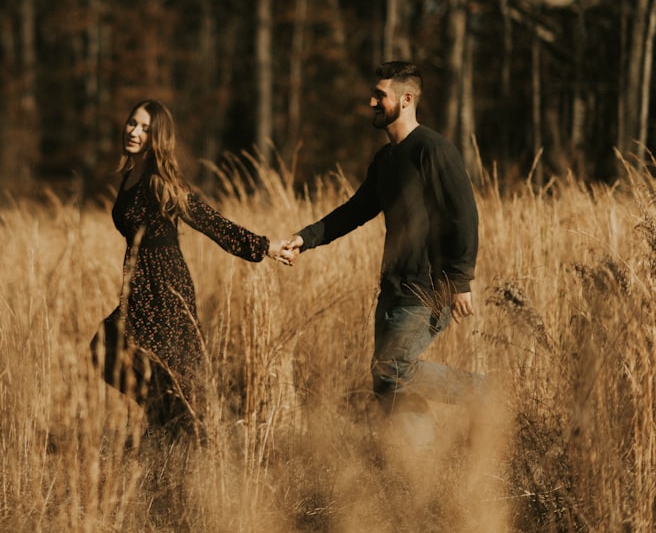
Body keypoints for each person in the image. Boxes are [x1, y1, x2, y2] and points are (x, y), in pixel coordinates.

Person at [284, 61, 484, 446]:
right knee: (387, 383)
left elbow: (464, 215)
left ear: (406, 100)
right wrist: (305, 238)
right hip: (393, 286)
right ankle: (420, 468)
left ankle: (482, 393)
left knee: (392, 368)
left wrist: (460, 281)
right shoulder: (387, 159)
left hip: (429, 287)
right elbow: (356, 210)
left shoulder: (433, 150)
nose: (371, 100)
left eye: (381, 95)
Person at [91, 99, 291, 438]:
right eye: (132, 123)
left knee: (173, 371)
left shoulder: (161, 179)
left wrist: (264, 246)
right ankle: (166, 421)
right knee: (106, 349)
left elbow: (209, 221)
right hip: (139, 283)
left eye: (144, 128)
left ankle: (187, 435)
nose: (134, 131)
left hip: (166, 284)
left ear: (158, 138)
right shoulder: (129, 175)